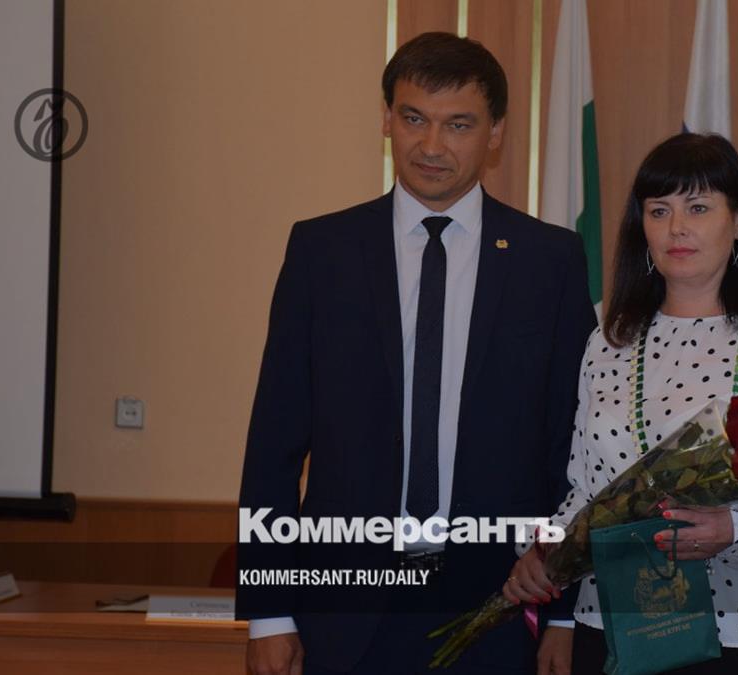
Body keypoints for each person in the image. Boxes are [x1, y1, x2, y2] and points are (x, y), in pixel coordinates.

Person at [237, 32, 596, 675]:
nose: (431, 146)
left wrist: (563, 614)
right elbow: (274, 443)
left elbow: (568, 451)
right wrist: (269, 613)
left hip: (500, 608)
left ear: (495, 133)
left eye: (458, 125)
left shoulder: (550, 262)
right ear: (386, 119)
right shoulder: (322, 253)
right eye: (413, 119)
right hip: (345, 610)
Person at [505, 132, 738, 674]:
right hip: (614, 630)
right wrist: (546, 551)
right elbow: (586, 491)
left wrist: (733, 530)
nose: (676, 228)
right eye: (659, 211)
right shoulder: (607, 344)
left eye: (698, 208)